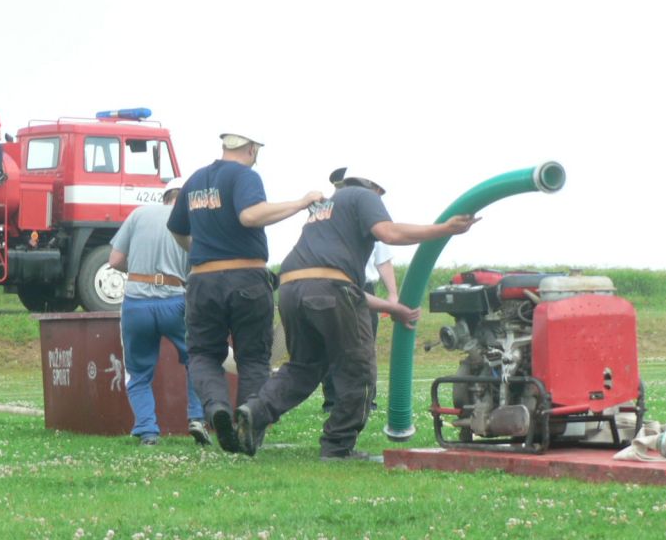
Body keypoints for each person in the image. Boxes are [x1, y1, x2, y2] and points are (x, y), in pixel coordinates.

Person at [234, 168, 480, 460]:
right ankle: (338, 447)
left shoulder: (328, 207)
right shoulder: (363, 195)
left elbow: (335, 284)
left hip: (290, 287)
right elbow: (387, 234)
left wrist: (392, 308)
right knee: (359, 369)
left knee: (304, 367)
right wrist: (444, 229)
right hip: (328, 288)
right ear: (375, 187)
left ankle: (256, 410)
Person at [167, 132, 324, 452]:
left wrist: (199, 251)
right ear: (251, 149)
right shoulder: (245, 175)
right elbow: (250, 215)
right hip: (247, 278)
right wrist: (301, 202)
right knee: (253, 357)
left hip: (203, 279)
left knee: (203, 355)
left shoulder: (195, 179)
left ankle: (216, 408)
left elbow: (177, 228)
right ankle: (248, 427)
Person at [108, 178, 210, 447]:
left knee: (138, 371)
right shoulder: (193, 223)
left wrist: (141, 273)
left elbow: (115, 260)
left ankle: (147, 430)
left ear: (164, 196)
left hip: (136, 303)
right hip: (176, 300)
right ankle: (197, 418)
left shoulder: (138, 214)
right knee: (196, 360)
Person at [321, 238, 397, 413]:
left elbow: (383, 260)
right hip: (331, 286)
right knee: (332, 346)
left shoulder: (374, 226)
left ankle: (366, 400)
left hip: (364, 286)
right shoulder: (326, 222)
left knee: (365, 348)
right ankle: (333, 402)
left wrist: (393, 294)